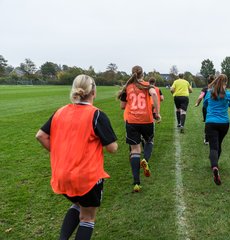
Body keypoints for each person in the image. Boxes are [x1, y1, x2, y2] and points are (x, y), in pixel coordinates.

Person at [35, 74, 118, 240]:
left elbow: (41, 136)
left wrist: (60, 154)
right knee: (88, 217)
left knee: (78, 205)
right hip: (86, 177)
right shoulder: (96, 115)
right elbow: (112, 148)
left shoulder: (60, 112)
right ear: (94, 92)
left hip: (61, 174)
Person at [118, 66, 161, 192]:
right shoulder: (148, 85)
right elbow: (153, 94)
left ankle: (136, 182)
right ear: (143, 74)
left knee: (135, 150)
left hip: (132, 121)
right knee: (149, 141)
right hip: (146, 120)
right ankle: (145, 160)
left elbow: (122, 106)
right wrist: (157, 112)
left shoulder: (128, 87)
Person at [203, 74, 230, 185]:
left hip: (211, 122)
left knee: (213, 146)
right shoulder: (227, 94)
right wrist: (227, 102)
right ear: (225, 82)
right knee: (219, 144)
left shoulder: (209, 92)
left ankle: (214, 166)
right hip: (224, 123)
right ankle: (215, 165)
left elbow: (205, 104)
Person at [195, 75, 215, 144]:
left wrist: (197, 103)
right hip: (215, 108)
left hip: (206, 107)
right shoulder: (217, 88)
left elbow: (201, 97)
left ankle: (206, 139)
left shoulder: (205, 89)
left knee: (207, 122)